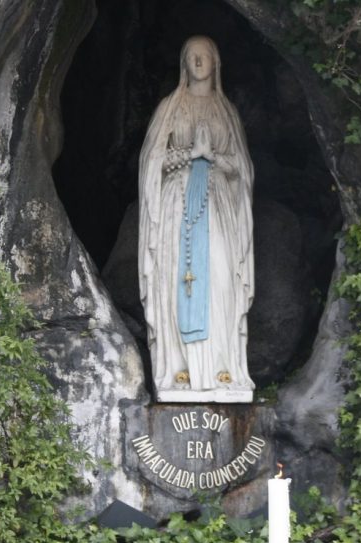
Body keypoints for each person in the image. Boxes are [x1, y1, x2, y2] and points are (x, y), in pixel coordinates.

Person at [138, 35, 254, 398]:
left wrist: (212, 156)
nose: (199, 61)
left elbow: (243, 169)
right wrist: (189, 155)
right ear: (183, 64)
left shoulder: (226, 112)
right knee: (175, 278)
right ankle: (180, 370)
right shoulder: (170, 108)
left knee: (221, 278)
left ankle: (222, 369)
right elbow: (151, 161)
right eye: (192, 56)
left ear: (216, 62)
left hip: (217, 205)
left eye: (204, 55)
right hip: (176, 206)